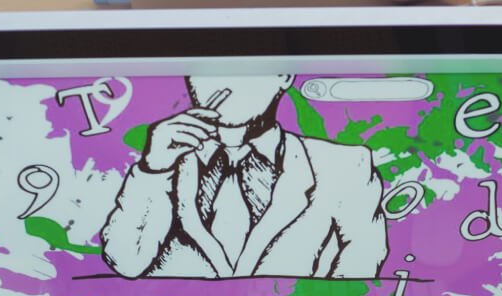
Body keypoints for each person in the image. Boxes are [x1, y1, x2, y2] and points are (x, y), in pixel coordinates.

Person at [100, 75, 389, 280]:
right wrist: (155, 169)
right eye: (206, 70)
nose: (223, 82)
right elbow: (126, 264)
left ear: (283, 76)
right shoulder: (164, 161)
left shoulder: (345, 165)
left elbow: (360, 267)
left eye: (244, 70)